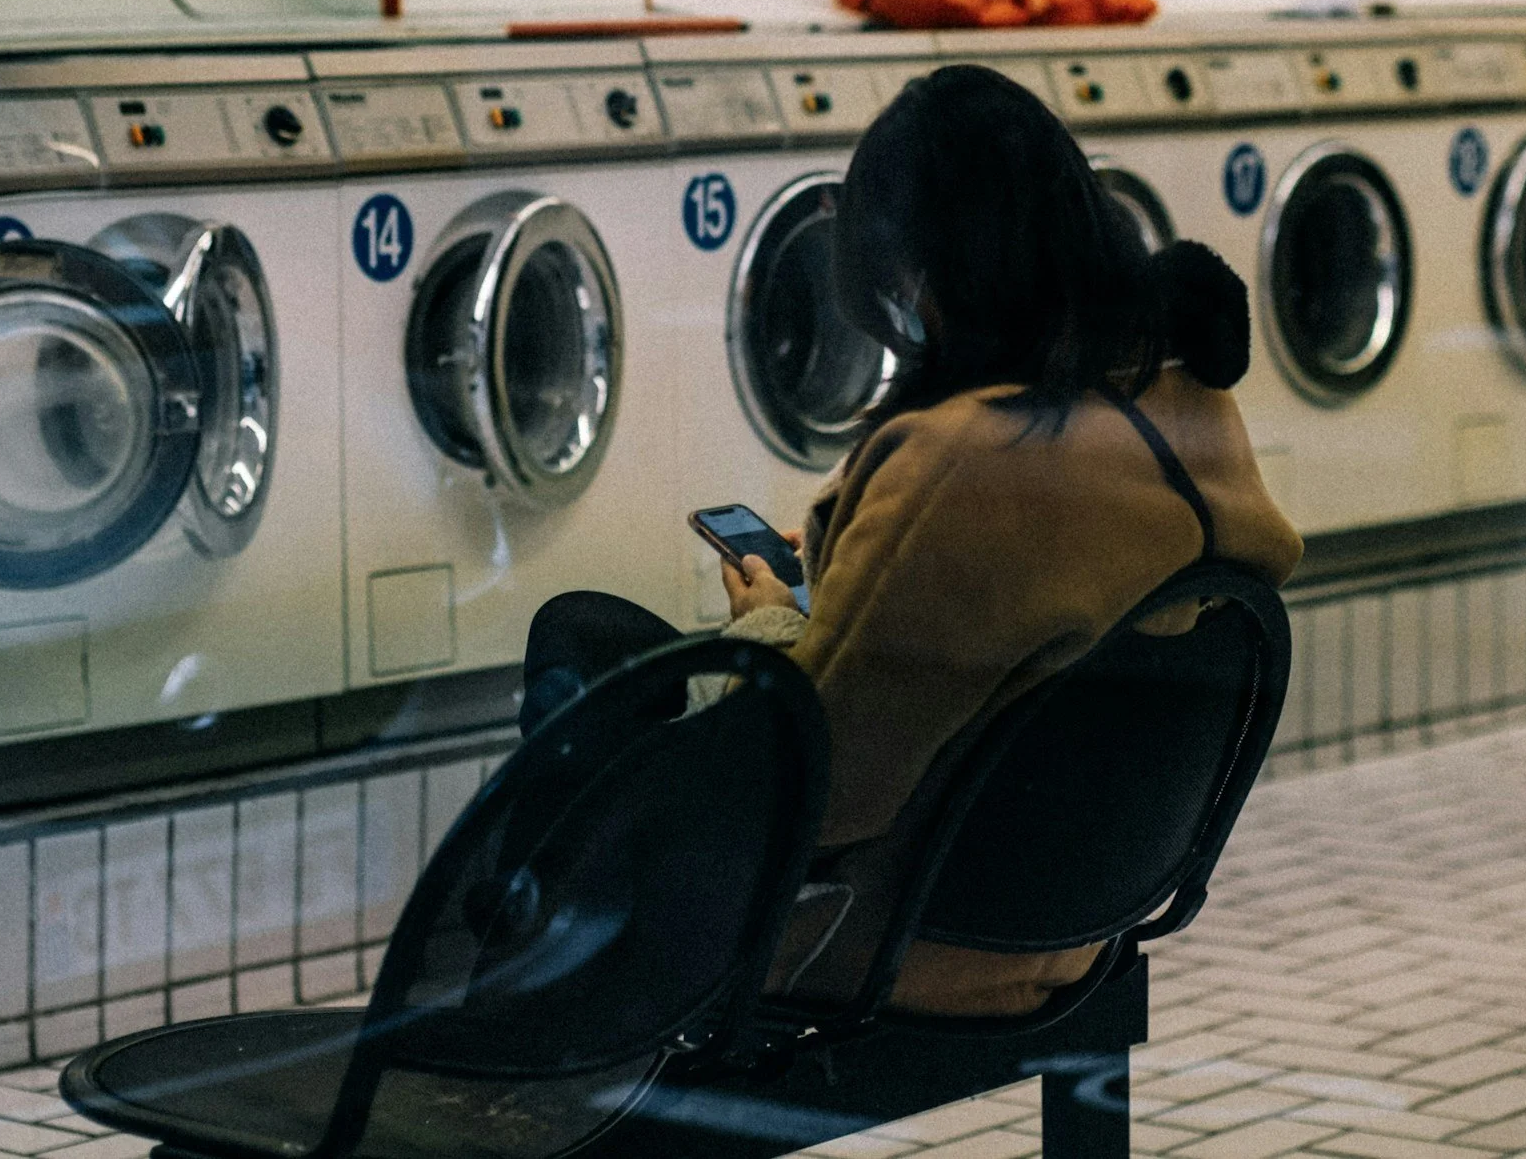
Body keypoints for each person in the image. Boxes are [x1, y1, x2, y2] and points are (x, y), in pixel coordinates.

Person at [516, 63, 1305, 1016]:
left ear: (927, 273)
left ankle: (529, 1018)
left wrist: (770, 628)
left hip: (895, 939)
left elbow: (827, 785)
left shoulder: (964, 458)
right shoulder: (1183, 407)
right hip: (1082, 922)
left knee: (586, 645)